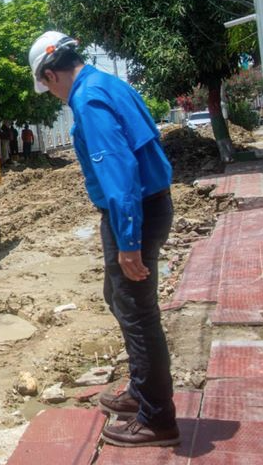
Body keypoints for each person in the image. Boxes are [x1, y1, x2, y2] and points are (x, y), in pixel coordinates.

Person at [29, 31, 178, 448]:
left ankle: (157, 418)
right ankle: (141, 389)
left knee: (137, 312)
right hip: (145, 206)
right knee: (117, 296)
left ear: (51, 73)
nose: (52, 95)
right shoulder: (107, 83)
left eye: (47, 86)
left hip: (135, 213)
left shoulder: (88, 99)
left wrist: (128, 240)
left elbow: (118, 171)